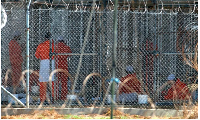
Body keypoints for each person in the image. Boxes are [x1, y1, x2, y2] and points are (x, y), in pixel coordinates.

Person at [35, 32, 55, 104]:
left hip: (43, 62)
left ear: (45, 38)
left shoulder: (41, 45)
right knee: (52, 80)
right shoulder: (53, 45)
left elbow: (37, 56)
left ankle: (42, 98)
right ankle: (53, 98)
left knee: (42, 80)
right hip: (52, 61)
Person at [55, 36, 72, 100]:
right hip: (64, 65)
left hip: (57, 65)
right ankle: (63, 97)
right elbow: (69, 54)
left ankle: (56, 96)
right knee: (64, 82)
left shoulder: (55, 46)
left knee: (56, 81)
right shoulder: (66, 47)